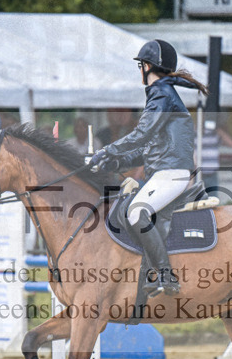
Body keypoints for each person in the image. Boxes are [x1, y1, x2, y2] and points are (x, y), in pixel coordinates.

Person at [88, 39, 207, 296]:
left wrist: (106, 150)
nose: (139, 70)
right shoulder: (162, 94)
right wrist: (115, 162)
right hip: (164, 172)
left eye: (140, 65)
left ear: (148, 66)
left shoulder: (161, 94)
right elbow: (148, 149)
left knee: (136, 212)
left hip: (171, 174)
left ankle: (165, 274)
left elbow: (141, 135)